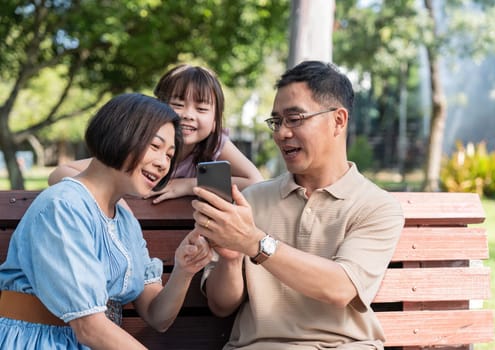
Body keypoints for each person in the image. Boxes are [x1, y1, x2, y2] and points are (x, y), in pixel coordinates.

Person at [191, 61, 405, 349]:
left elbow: (340, 287)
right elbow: (221, 306)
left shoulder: (377, 207)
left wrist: (254, 242)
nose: (281, 133)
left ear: (338, 120)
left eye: (295, 119)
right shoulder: (250, 201)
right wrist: (230, 257)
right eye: (277, 122)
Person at [0, 93, 213, 349]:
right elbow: (89, 328)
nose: (162, 164)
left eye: (169, 155)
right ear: (120, 134)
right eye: (155, 147)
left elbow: (158, 317)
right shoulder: (63, 206)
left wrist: (184, 269)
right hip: (38, 341)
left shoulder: (125, 222)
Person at [48, 64, 264, 203]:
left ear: (216, 121)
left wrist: (188, 185)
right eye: (178, 104)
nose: (188, 115)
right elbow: (59, 173)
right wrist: (105, 195)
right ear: (158, 109)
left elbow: (255, 182)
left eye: (201, 109)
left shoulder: (214, 144)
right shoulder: (139, 146)